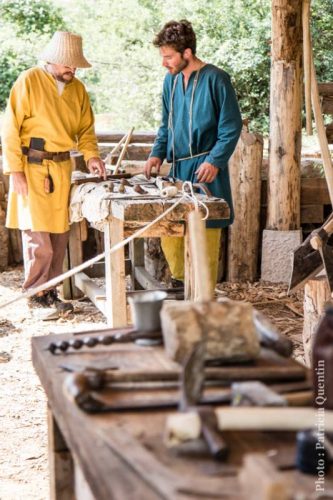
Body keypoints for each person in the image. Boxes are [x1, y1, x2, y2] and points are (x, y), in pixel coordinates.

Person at [2, 31, 106, 309]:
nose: (71, 68)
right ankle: (34, 295)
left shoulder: (78, 90)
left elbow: (85, 130)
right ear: (52, 60)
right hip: (31, 168)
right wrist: (15, 171)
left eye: (74, 65)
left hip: (62, 169)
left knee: (58, 237)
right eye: (66, 64)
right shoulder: (29, 80)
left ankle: (50, 293)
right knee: (39, 239)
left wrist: (92, 156)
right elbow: (10, 129)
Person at [144, 20, 242, 287]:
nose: (164, 63)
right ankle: (180, 289)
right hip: (177, 171)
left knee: (205, 232)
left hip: (205, 170)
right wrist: (157, 153)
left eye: (169, 57)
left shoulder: (216, 79)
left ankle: (203, 295)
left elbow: (231, 126)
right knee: (172, 233)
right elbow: (167, 124)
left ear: (187, 53)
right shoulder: (170, 81)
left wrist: (215, 160)